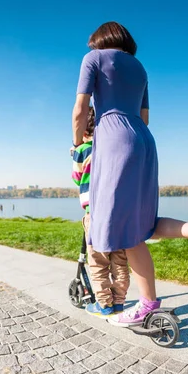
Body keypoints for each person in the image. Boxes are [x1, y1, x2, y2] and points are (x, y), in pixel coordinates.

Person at [72, 22, 188, 327]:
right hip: (143, 142)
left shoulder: (94, 59)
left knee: (127, 229)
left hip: (113, 142)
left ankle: (148, 304)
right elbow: (145, 118)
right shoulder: (140, 69)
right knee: (143, 225)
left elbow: (80, 110)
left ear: (100, 41)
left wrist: (77, 145)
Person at [72, 106, 129, 318]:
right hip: (117, 211)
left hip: (95, 212)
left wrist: (76, 151)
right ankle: (119, 302)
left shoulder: (81, 150)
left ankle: (104, 304)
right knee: (119, 260)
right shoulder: (111, 148)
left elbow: (77, 177)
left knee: (97, 261)